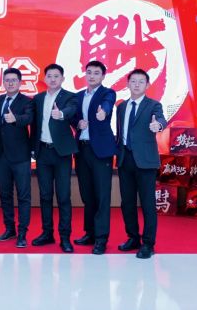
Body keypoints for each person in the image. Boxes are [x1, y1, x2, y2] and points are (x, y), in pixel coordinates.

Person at [115, 68, 167, 259]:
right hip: (125, 159)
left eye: (141, 82)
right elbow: (120, 132)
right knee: (127, 203)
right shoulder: (121, 107)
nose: (136, 85)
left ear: (147, 85)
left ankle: (148, 243)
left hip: (145, 161)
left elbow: (161, 119)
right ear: (127, 84)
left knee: (147, 203)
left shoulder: (153, 105)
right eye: (133, 81)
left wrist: (158, 125)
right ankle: (133, 238)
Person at [30, 64, 78, 253]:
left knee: (63, 196)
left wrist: (61, 114)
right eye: (49, 76)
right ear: (45, 79)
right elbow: (34, 125)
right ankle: (47, 233)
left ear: (62, 79)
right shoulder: (38, 98)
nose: (52, 79)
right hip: (43, 151)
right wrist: (33, 148)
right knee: (45, 195)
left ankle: (65, 237)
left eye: (56, 76)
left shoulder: (70, 97)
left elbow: (72, 109)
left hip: (61, 153)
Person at [73, 60, 116, 255]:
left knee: (101, 195)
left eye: (96, 73)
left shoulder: (107, 93)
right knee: (87, 194)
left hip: (100, 151)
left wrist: (103, 112)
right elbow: (73, 117)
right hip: (82, 150)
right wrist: (77, 123)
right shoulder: (78, 96)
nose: (91, 76)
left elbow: (107, 104)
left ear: (103, 76)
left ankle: (101, 238)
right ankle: (90, 233)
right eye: (89, 72)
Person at [0, 67, 33, 248]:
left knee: (23, 196)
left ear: (20, 82)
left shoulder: (27, 101)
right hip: (1, 156)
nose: (10, 83)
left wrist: (16, 119)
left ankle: (22, 232)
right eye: (7, 80)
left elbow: (28, 118)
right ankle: (9, 229)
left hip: (20, 156)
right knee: (5, 194)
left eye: (13, 80)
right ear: (3, 82)